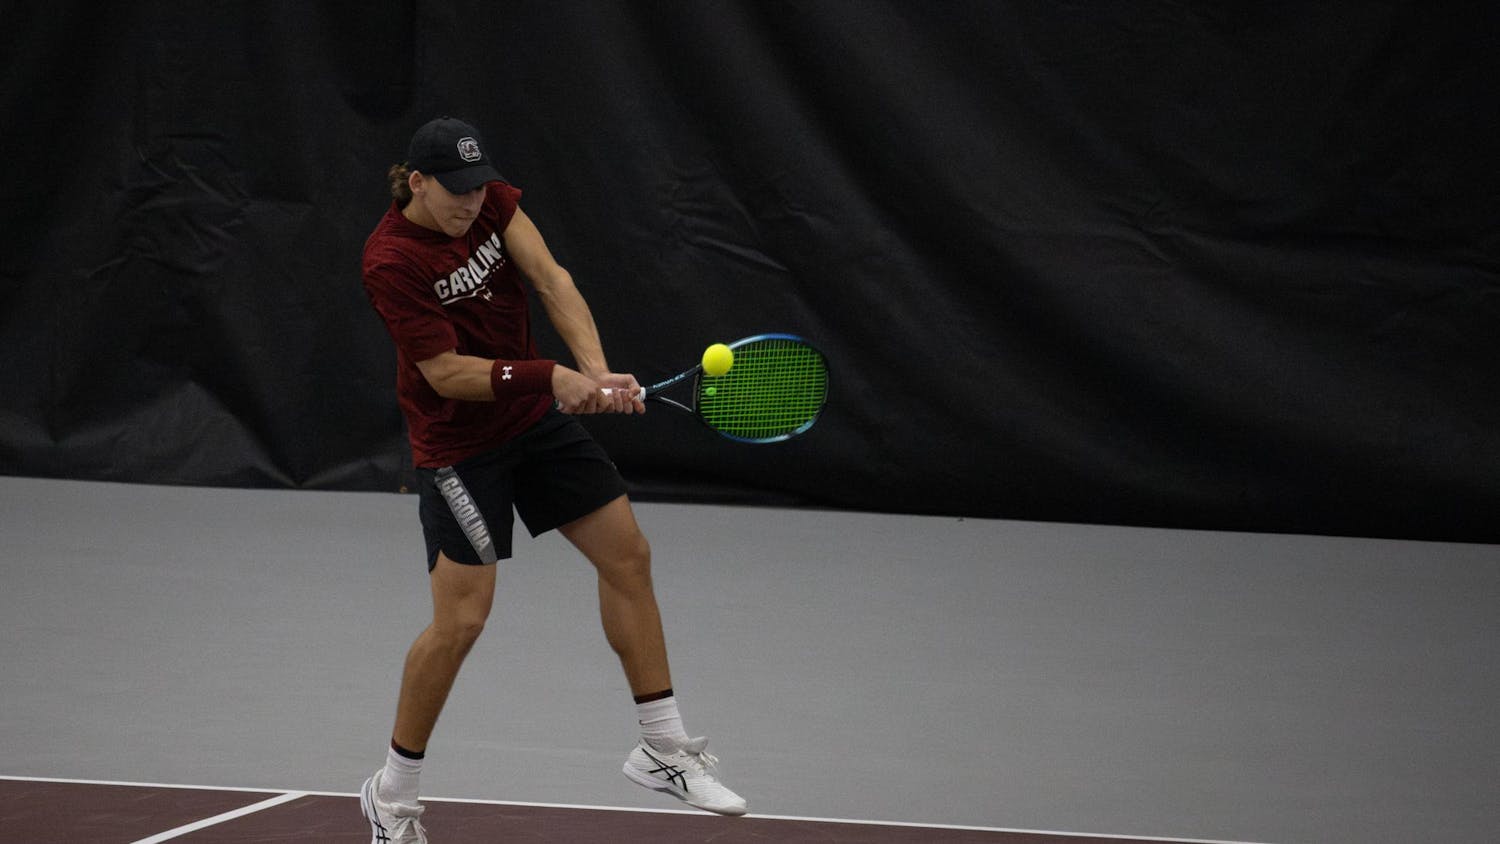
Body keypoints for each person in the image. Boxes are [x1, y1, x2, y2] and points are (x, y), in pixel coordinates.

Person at [357, 116, 746, 843]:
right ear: (417, 182)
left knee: (627, 554)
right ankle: (394, 793)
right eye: (455, 191)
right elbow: (444, 375)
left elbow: (550, 278)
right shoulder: (391, 260)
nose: (473, 202)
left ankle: (663, 748)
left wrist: (594, 374)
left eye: (479, 187)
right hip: (458, 449)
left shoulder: (496, 202)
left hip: (532, 422)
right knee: (463, 620)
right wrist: (552, 376)